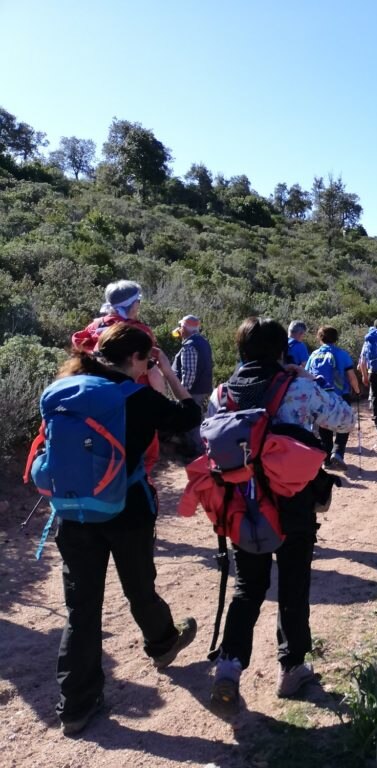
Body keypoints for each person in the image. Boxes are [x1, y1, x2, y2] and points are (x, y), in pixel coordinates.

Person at [48, 324, 202, 736]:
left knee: (81, 611)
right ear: (137, 359)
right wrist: (167, 373)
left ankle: (76, 706)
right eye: (146, 359)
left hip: (73, 512)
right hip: (127, 509)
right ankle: (163, 642)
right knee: (138, 586)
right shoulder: (137, 396)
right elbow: (190, 416)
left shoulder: (66, 386)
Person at [209, 318, 354, 716]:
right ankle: (291, 669)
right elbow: (344, 418)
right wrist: (309, 376)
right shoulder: (299, 387)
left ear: (240, 350)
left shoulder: (223, 393)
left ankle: (228, 666)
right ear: (282, 350)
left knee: (248, 586)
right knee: (293, 583)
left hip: (244, 502)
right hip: (293, 501)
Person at [71, 279, 169, 472]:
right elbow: (151, 370)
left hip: (97, 403)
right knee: (141, 461)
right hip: (134, 403)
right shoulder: (139, 331)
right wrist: (160, 404)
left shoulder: (93, 328)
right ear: (131, 305)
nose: (139, 305)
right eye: (138, 301)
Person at [305, 325, 360, 470]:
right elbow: (351, 375)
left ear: (319, 338)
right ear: (336, 338)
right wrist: (357, 389)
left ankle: (327, 460)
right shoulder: (342, 354)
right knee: (345, 424)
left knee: (324, 427)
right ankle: (338, 452)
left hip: (320, 397)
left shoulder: (314, 355)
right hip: (341, 395)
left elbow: (307, 375)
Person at [171, 315, 214, 459]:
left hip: (192, 391)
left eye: (181, 327)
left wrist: (182, 393)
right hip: (202, 388)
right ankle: (197, 450)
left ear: (184, 328)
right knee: (196, 419)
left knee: (192, 422)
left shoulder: (189, 346)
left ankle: (199, 453)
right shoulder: (203, 342)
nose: (179, 331)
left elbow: (189, 373)